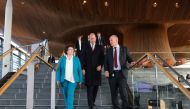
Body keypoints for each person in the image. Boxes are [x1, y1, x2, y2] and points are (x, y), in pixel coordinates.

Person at [104, 35, 135, 109]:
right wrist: (106, 70)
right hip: (112, 74)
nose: (110, 41)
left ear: (116, 40)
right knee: (113, 93)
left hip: (122, 74)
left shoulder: (124, 49)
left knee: (123, 93)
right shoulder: (108, 50)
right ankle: (116, 107)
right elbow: (106, 62)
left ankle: (125, 107)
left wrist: (132, 62)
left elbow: (130, 59)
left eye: (111, 40)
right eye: (110, 40)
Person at [81, 33, 104, 109]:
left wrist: (101, 65)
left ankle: (92, 102)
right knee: (89, 88)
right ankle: (90, 104)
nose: (92, 39)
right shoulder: (85, 47)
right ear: (89, 39)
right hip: (88, 71)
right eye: (91, 38)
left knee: (95, 88)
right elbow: (82, 58)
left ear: (96, 39)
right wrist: (83, 68)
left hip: (97, 71)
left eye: (93, 38)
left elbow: (102, 58)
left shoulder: (100, 47)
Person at [56, 45, 83, 109]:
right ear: (66, 51)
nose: (71, 50)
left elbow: (79, 69)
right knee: (66, 96)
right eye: (69, 49)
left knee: (70, 96)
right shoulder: (62, 59)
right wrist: (58, 79)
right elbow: (58, 69)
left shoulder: (76, 59)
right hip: (64, 80)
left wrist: (80, 79)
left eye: (72, 49)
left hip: (73, 80)